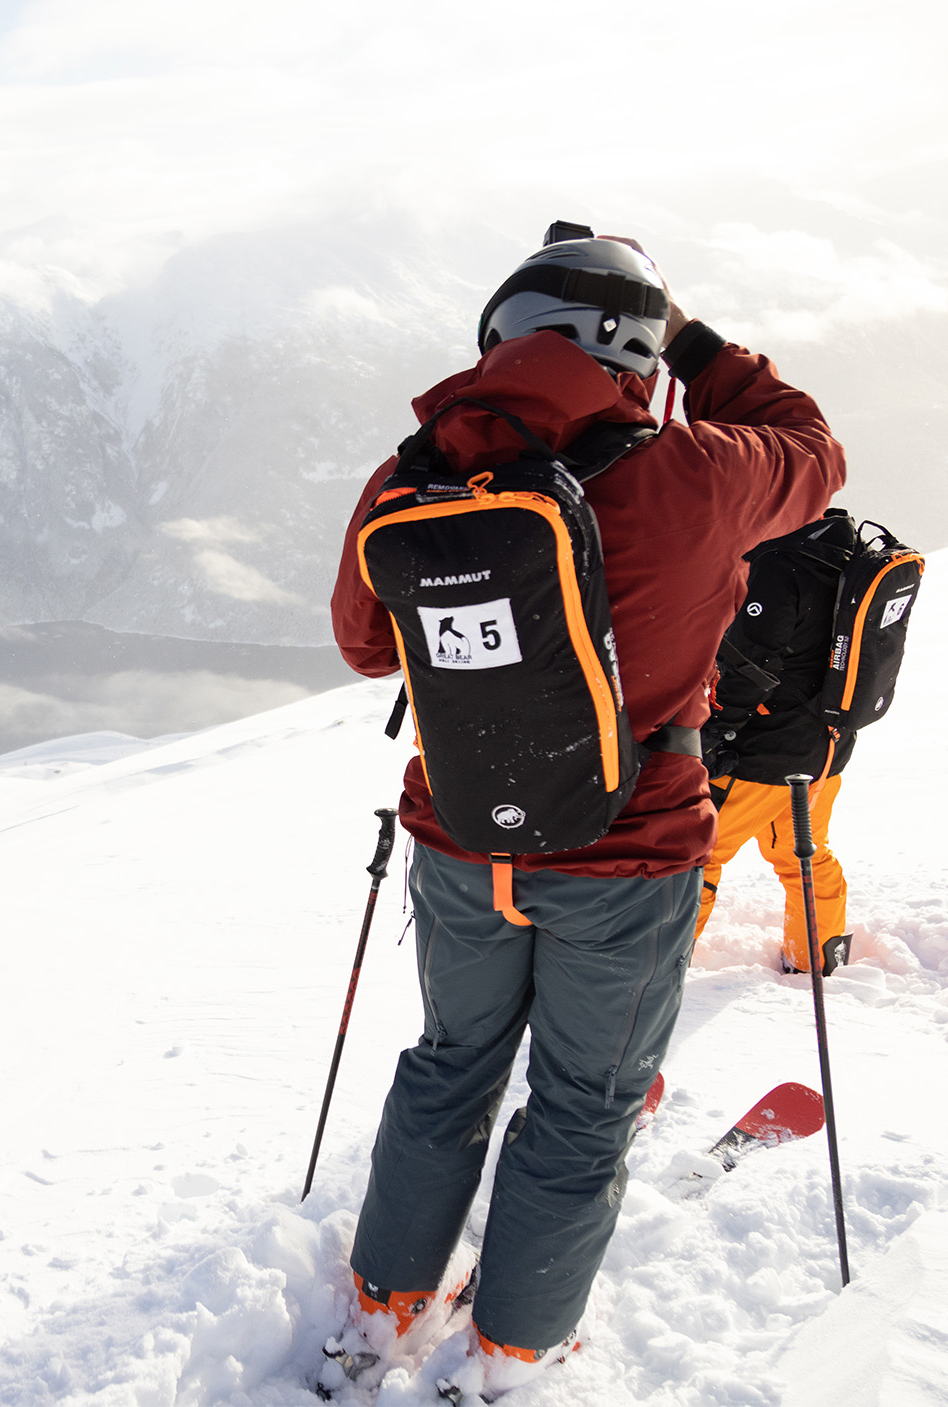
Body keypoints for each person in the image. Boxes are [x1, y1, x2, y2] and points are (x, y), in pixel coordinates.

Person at [328, 231, 844, 1395]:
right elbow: (817, 452)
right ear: (634, 352)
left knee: (448, 1062)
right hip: (628, 860)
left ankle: (382, 1298)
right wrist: (702, 347)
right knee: (579, 1106)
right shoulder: (697, 471)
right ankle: (512, 1348)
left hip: (458, 842)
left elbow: (365, 646)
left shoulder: (409, 471)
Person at [697, 510, 860, 976]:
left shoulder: (783, 564)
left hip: (765, 756)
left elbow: (751, 663)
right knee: (803, 854)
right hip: (827, 748)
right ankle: (818, 956)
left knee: (697, 853)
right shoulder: (842, 554)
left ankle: (660, 962)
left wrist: (719, 726)